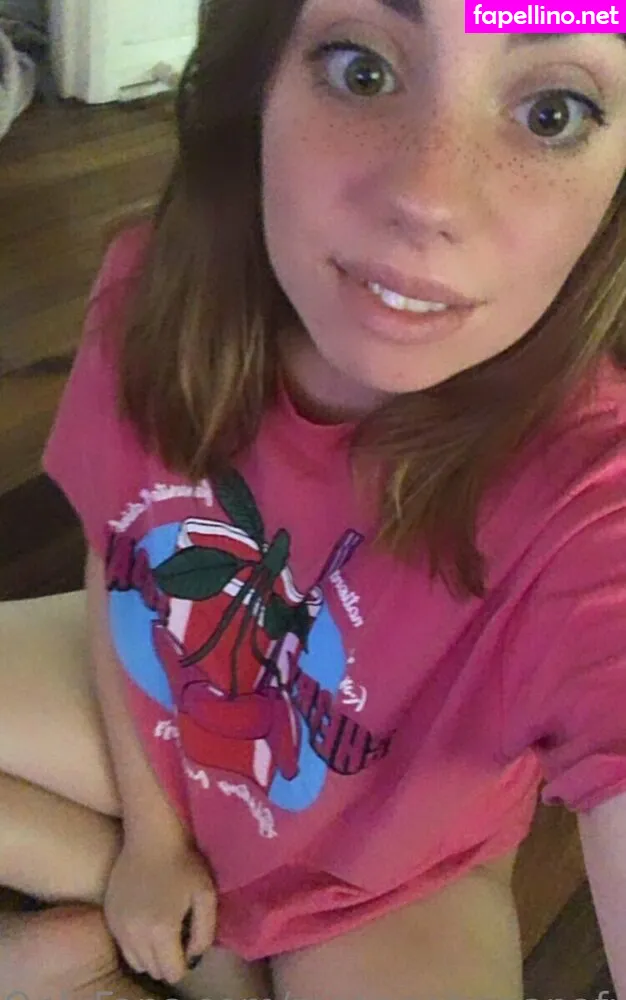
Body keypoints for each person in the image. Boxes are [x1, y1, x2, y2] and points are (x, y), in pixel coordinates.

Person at [2, 0, 626, 996]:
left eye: (551, 112)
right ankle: (196, 948)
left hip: (391, 879)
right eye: (361, 69)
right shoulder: (156, 293)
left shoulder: (591, 493)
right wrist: (150, 849)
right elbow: (123, 566)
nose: (426, 197)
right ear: (257, 78)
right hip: (165, 695)